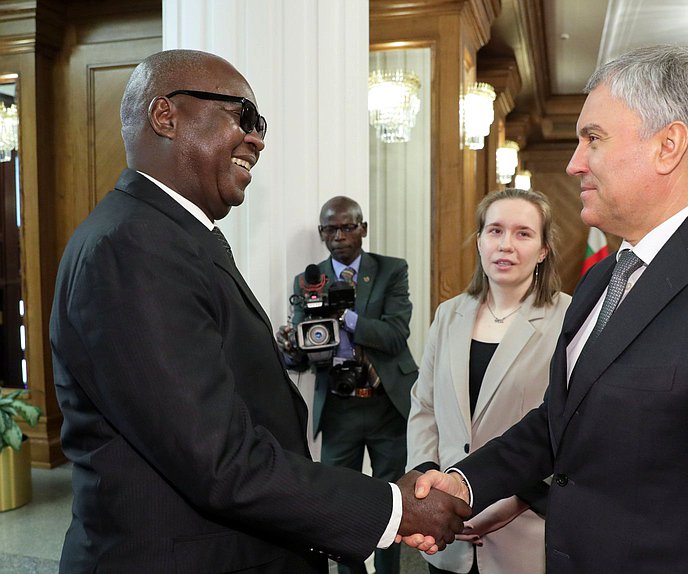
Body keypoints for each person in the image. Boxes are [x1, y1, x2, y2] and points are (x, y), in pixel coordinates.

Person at [410, 45, 688, 573]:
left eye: (592, 138)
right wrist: (465, 480)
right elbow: (561, 418)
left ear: (669, 146)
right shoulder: (604, 276)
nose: (574, 163)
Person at [49, 49, 469, 574]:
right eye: (241, 116)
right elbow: (218, 461)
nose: (257, 138)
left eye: (260, 123)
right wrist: (393, 508)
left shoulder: (172, 236)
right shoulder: (132, 246)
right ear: (165, 117)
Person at [406, 188, 571, 574]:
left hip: (523, 531)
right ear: (479, 240)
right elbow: (424, 409)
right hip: (444, 528)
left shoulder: (569, 319)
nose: (506, 245)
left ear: (544, 249)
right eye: (495, 231)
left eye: (523, 233)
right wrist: (431, 492)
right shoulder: (449, 314)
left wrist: (501, 504)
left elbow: (567, 428)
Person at [277, 195, 418, 574]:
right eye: (330, 229)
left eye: (347, 226)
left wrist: (346, 318)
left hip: (388, 403)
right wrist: (290, 349)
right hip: (339, 406)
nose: (339, 236)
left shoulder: (391, 270)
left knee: (393, 500)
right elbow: (305, 353)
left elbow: (395, 335)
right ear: (322, 233)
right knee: (341, 504)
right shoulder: (308, 280)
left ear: (363, 229)